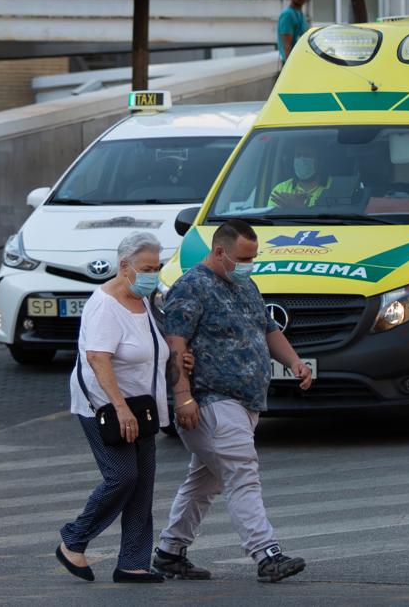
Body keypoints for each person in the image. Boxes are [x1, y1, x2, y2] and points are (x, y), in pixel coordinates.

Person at [153, 219, 314, 583]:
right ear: (220, 251)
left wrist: (294, 362)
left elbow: (268, 329)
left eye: (254, 257)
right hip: (210, 401)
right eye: (244, 257)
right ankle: (266, 553)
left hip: (245, 402)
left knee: (203, 482)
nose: (249, 265)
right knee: (242, 472)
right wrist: (183, 399)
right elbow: (175, 347)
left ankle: (169, 551)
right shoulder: (191, 287)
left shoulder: (245, 285)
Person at [55, 231, 192, 584]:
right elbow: (98, 359)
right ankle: (74, 539)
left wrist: (176, 359)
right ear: (124, 266)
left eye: (157, 266)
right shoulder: (105, 305)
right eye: (147, 267)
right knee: (122, 476)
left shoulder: (143, 299)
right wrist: (120, 408)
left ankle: (132, 563)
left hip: (142, 407)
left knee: (142, 483)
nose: (153, 273)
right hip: (105, 405)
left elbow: (151, 345)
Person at [268, 142, 327, 208]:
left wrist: (298, 208)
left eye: (307, 155)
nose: (301, 159)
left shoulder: (333, 186)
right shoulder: (281, 189)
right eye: (298, 155)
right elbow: (271, 217)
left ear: (319, 161)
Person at [277, 0, 309, 64]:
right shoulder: (288, 15)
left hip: (300, 62)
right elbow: (287, 46)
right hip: (292, 65)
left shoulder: (300, 14)